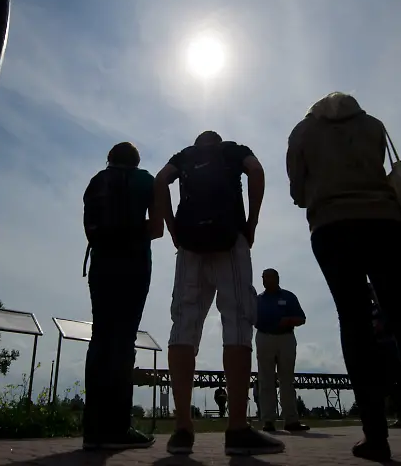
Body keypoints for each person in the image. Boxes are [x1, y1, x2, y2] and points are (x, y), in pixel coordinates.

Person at [287, 91, 401, 463]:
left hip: (332, 226)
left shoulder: (302, 131)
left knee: (354, 322)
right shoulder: (373, 124)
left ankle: (375, 436)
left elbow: (298, 191)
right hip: (385, 224)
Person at [153, 130, 284, 456]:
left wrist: (173, 229)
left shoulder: (183, 156)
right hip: (230, 240)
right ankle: (237, 428)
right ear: (218, 141)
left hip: (190, 246)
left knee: (184, 326)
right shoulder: (233, 150)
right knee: (237, 322)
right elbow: (256, 170)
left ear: (198, 143)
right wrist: (251, 222)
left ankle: (182, 429)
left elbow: (160, 181)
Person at [81, 142, 162, 450]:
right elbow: (157, 228)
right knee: (124, 341)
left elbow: (90, 229)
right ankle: (117, 428)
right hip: (134, 264)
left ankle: (93, 429)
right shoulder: (146, 180)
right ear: (137, 161)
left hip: (101, 264)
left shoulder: (96, 181)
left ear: (109, 159)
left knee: (100, 338)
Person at [255, 268, 310, 433]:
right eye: (264, 278)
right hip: (264, 337)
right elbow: (251, 318)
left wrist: (288, 320)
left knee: (287, 379)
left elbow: (302, 318)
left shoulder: (288, 296)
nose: (266, 281)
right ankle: (268, 421)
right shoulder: (258, 299)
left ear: (277, 278)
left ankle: (291, 420)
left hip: (286, 338)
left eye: (269, 277)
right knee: (265, 380)